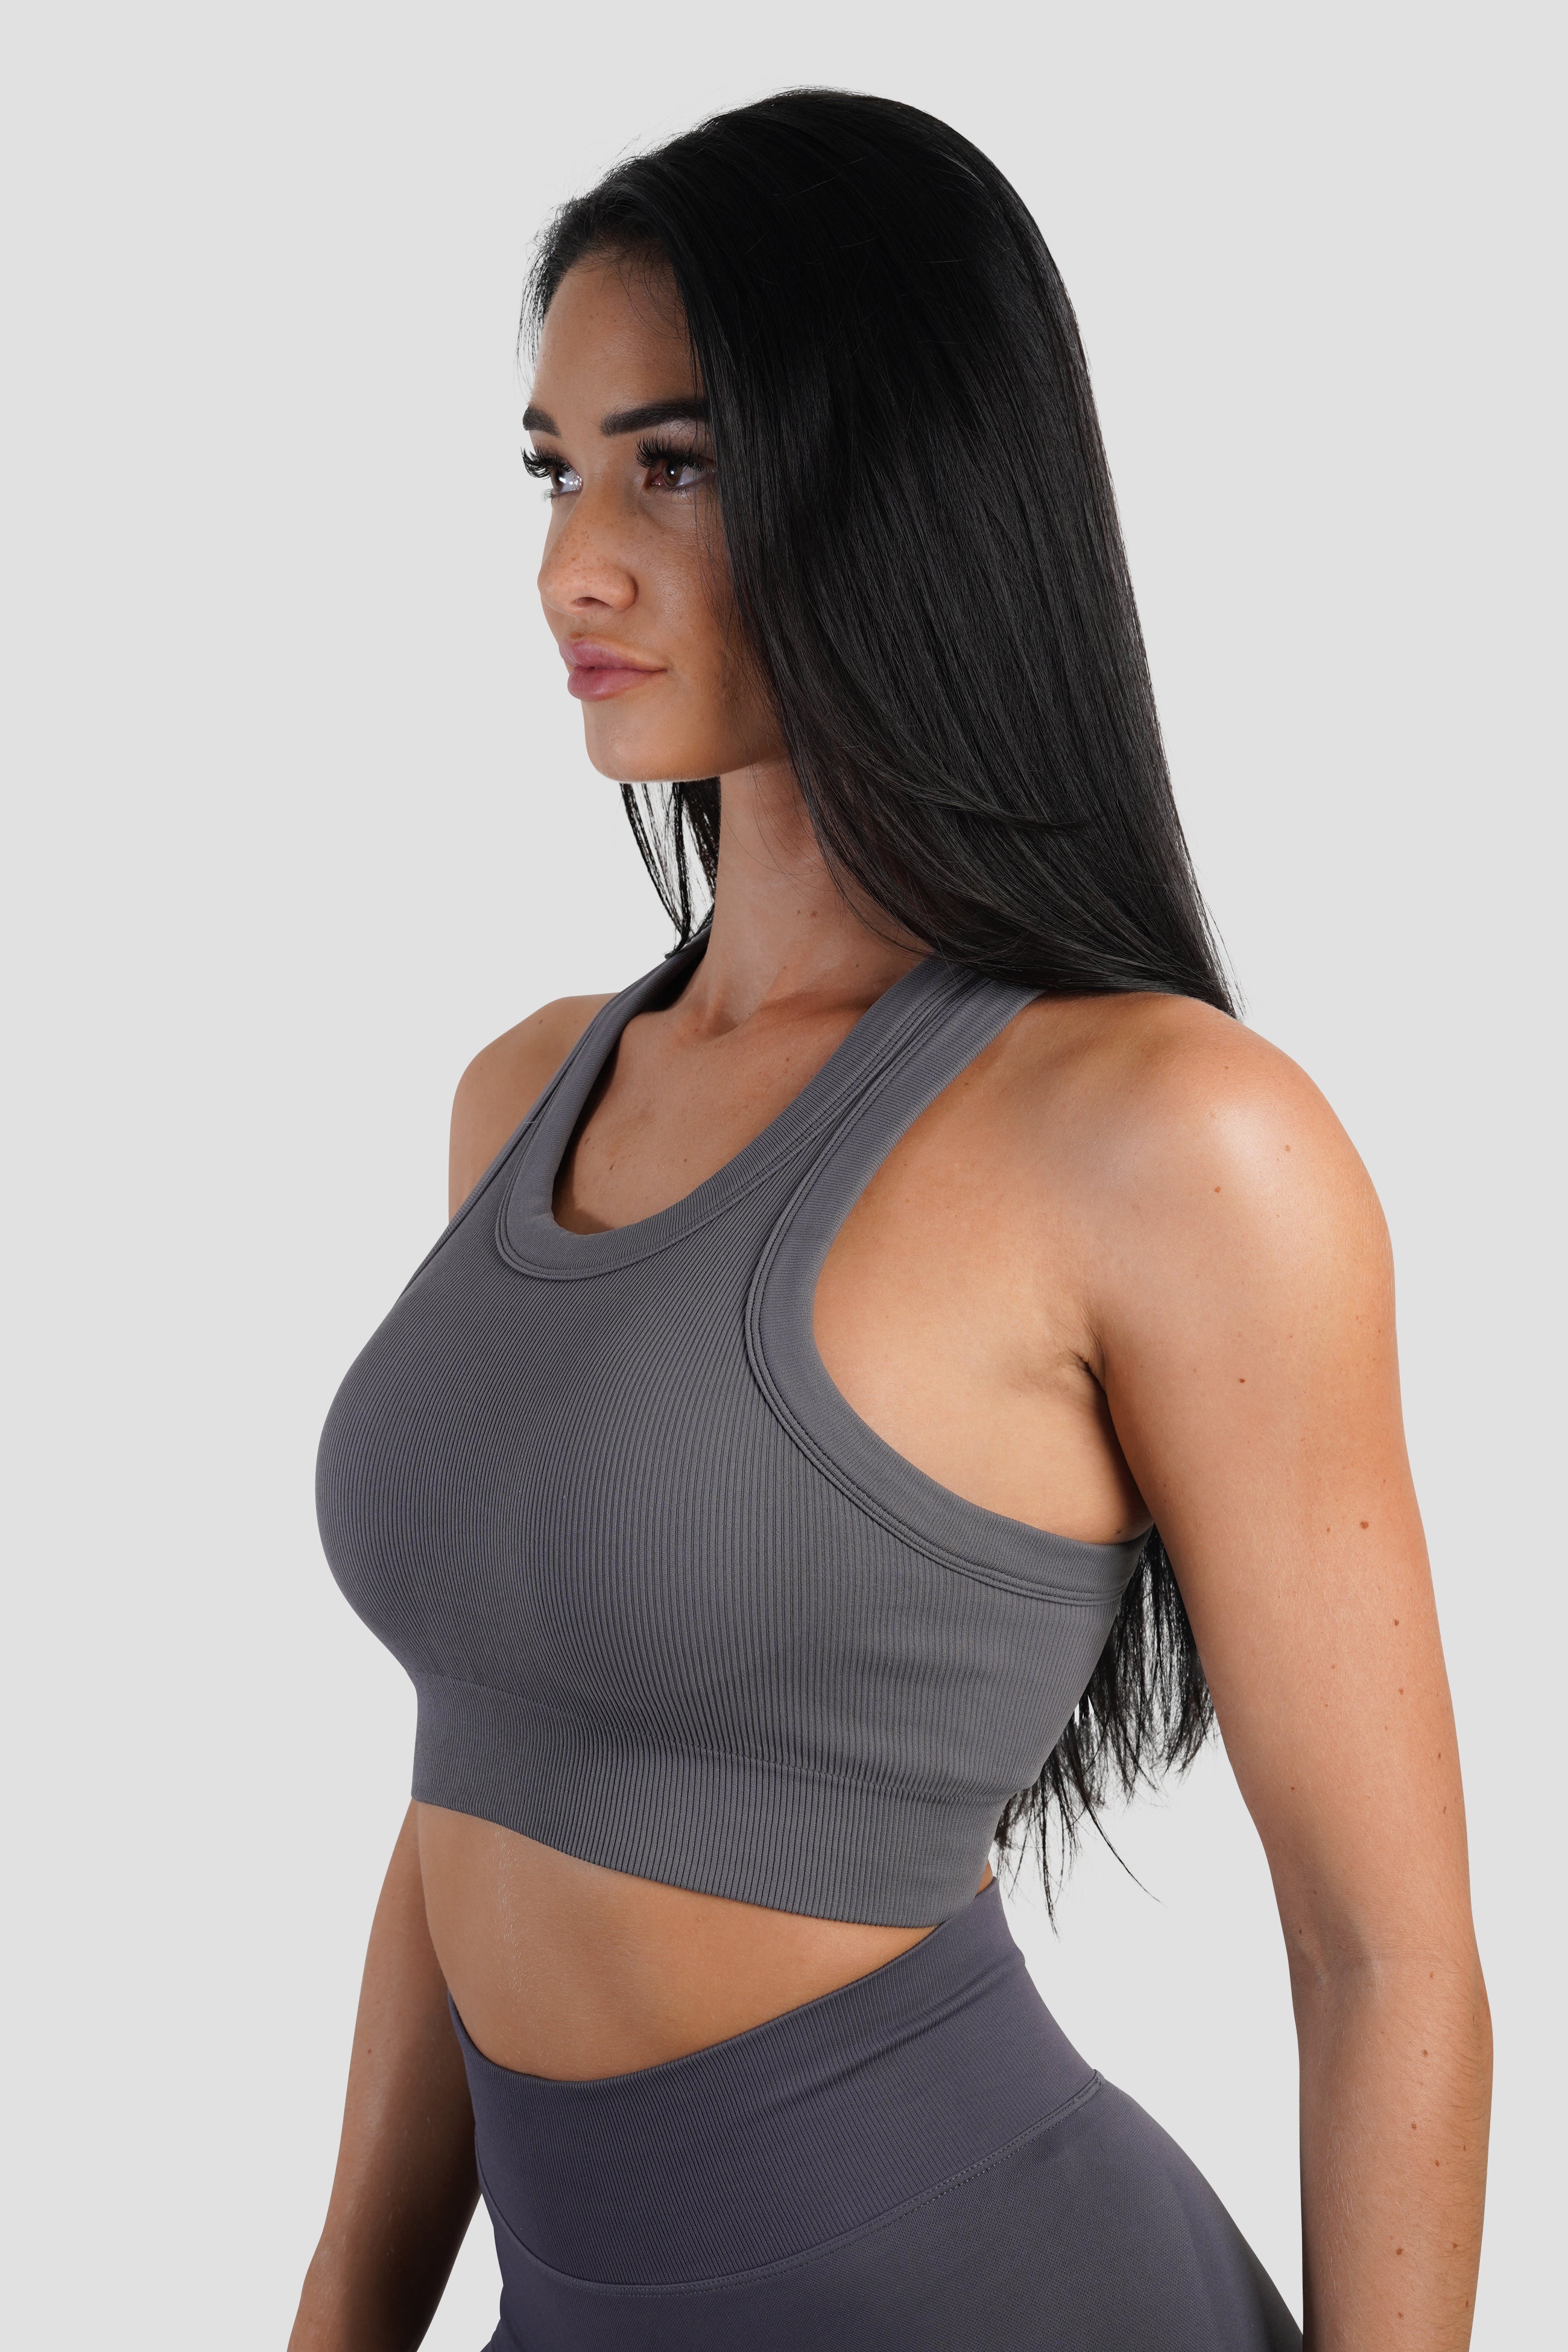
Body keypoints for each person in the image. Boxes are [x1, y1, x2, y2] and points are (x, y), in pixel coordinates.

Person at [291, 90, 1490, 2352]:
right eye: (554, 473)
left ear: (901, 474)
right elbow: (485, 1768)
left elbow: (1382, 1946)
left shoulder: (1168, 1135)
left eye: (674, 465)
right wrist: (344, 2301)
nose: (573, 567)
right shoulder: (523, 1097)